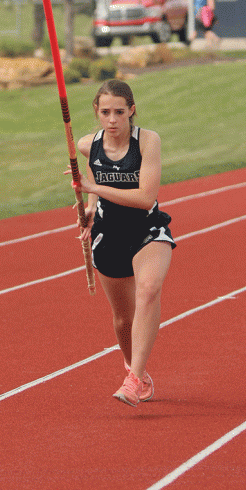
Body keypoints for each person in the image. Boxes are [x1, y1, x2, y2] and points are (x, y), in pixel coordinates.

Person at [75, 79, 175, 407]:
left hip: (146, 230)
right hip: (109, 234)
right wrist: (88, 211)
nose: (113, 119)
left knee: (148, 290)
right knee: (122, 318)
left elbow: (146, 198)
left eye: (120, 112)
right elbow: (90, 183)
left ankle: (133, 379)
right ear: (97, 112)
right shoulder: (87, 145)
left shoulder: (147, 141)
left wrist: (94, 190)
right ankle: (137, 370)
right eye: (106, 112)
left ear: (132, 110)